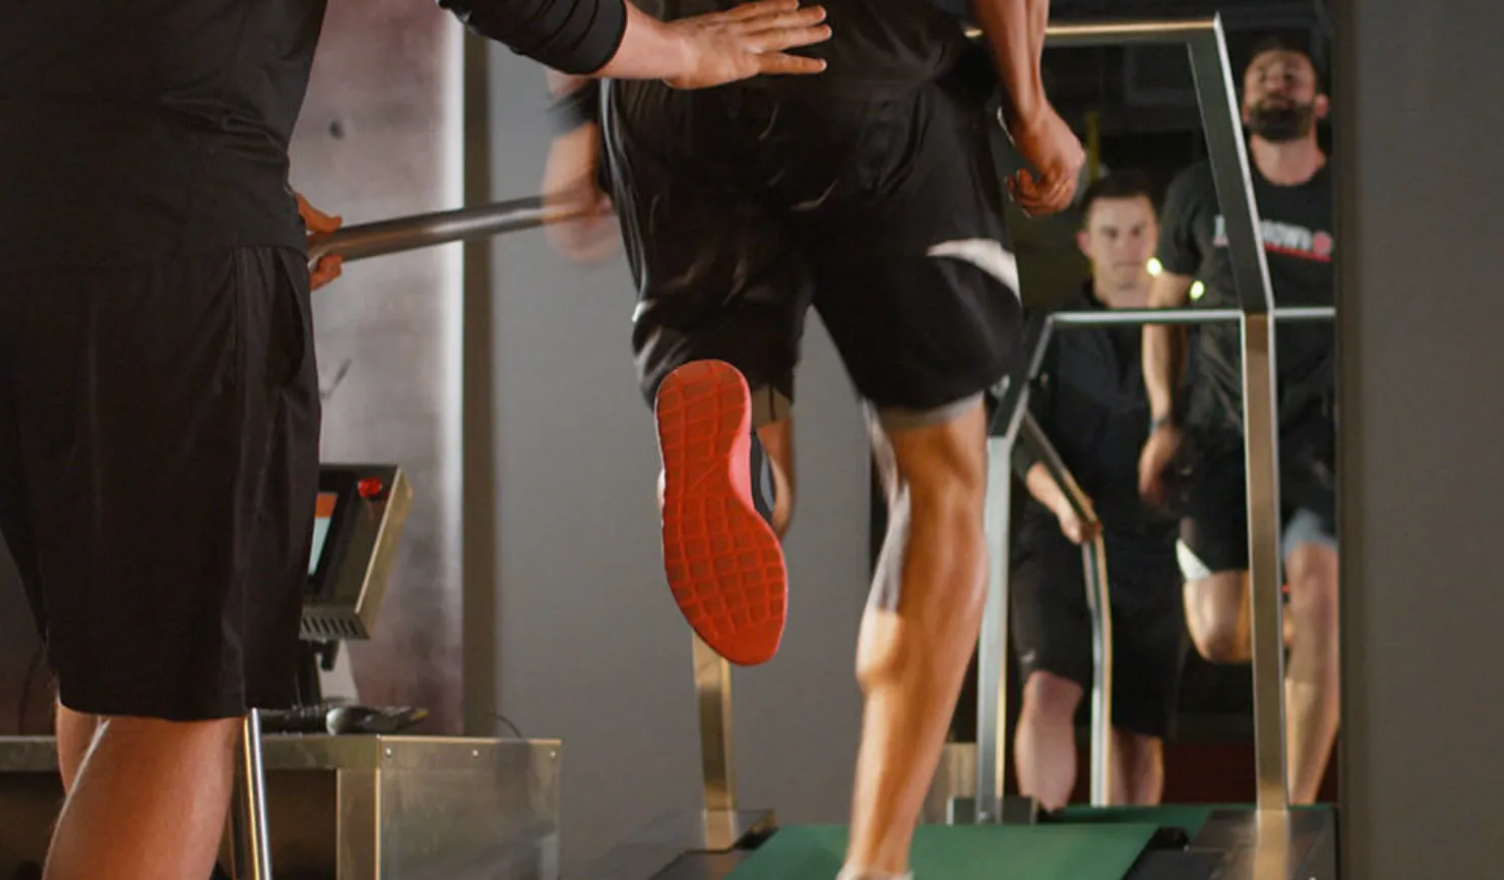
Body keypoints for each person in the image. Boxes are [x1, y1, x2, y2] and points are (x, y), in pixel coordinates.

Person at [0, 1, 831, 879]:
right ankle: (742, 418)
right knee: (170, 703)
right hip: (174, 247)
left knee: (106, 670)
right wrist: (675, 50)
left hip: (38, 232)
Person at [540, 0, 1085, 875]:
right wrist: (1030, 108)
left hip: (668, 84)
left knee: (735, 410)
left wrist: (578, 118)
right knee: (939, 481)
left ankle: (742, 465)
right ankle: (876, 862)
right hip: (867, 73)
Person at [1137, 38, 1338, 805]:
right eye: (1261, 75)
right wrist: (1163, 417)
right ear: (1242, 104)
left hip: (1320, 430)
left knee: (1318, 589)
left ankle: (1288, 819)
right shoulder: (1203, 187)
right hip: (1221, 426)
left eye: (1292, 74)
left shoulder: (1343, 193)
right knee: (1221, 633)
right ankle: (1324, 634)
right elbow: (1164, 313)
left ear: (1319, 103)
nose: (1275, 82)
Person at [1009, 171, 1185, 811]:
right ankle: (1040, 845)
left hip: (1154, 543)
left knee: (1138, 727)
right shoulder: (1047, 328)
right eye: (1110, 233)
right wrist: (1062, 502)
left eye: (1138, 230)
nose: (1126, 246)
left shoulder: (1191, 330)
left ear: (1157, 234)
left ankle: (1132, 855)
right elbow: (1015, 435)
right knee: (1048, 690)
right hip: (1061, 536)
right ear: (1086, 240)